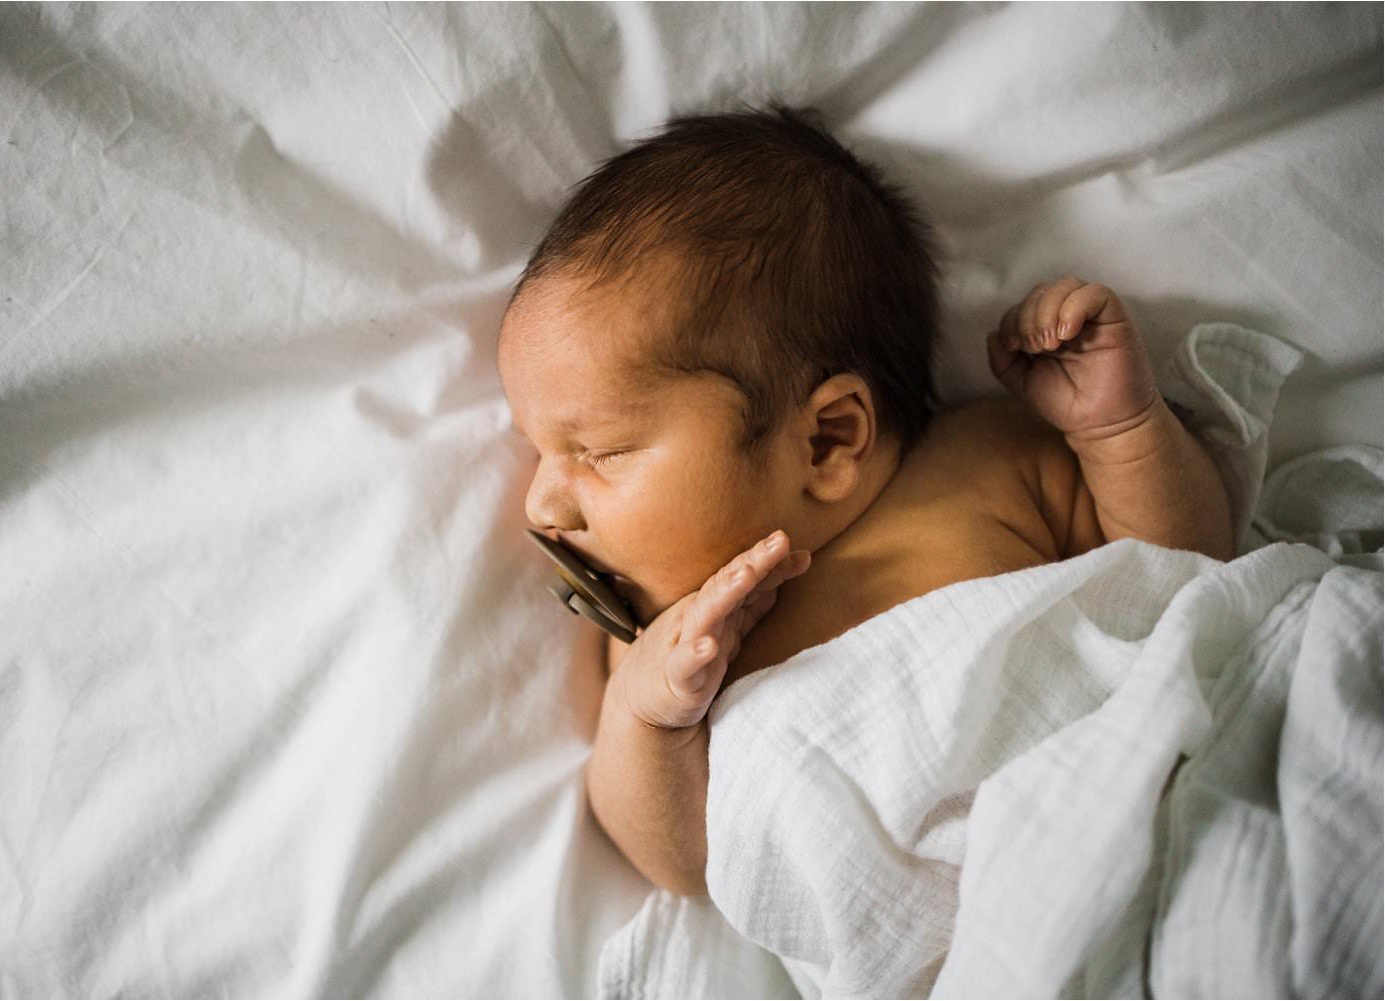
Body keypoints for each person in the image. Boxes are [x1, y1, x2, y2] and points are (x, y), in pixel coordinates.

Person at [495, 105, 1232, 896]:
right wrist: (645, 719)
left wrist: (1122, 430)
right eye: (540, 452)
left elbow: (1185, 578)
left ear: (827, 440)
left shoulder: (988, 462)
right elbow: (686, 867)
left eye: (598, 451)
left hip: (1149, 828)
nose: (542, 505)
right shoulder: (668, 650)